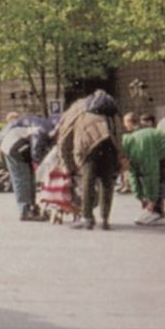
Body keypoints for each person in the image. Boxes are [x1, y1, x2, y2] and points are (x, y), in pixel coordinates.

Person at [57, 90, 121, 231]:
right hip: (110, 144)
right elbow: (119, 133)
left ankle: (87, 218)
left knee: (88, 181)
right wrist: (119, 157)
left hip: (89, 146)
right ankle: (105, 219)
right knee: (107, 182)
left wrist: (67, 164)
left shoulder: (78, 109)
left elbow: (65, 137)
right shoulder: (111, 110)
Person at [0, 112, 55, 221]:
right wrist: (38, 163)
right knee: (22, 178)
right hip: (14, 147)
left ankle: (31, 207)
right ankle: (24, 210)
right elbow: (36, 146)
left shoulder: (43, 124)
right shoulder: (44, 128)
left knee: (28, 177)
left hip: (18, 146)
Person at [122, 113, 165, 226]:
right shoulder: (129, 151)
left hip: (163, 147)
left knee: (157, 178)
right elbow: (133, 175)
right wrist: (140, 197)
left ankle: (157, 213)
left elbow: (151, 175)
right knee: (145, 177)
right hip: (150, 145)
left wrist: (151, 201)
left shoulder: (140, 151)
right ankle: (152, 209)